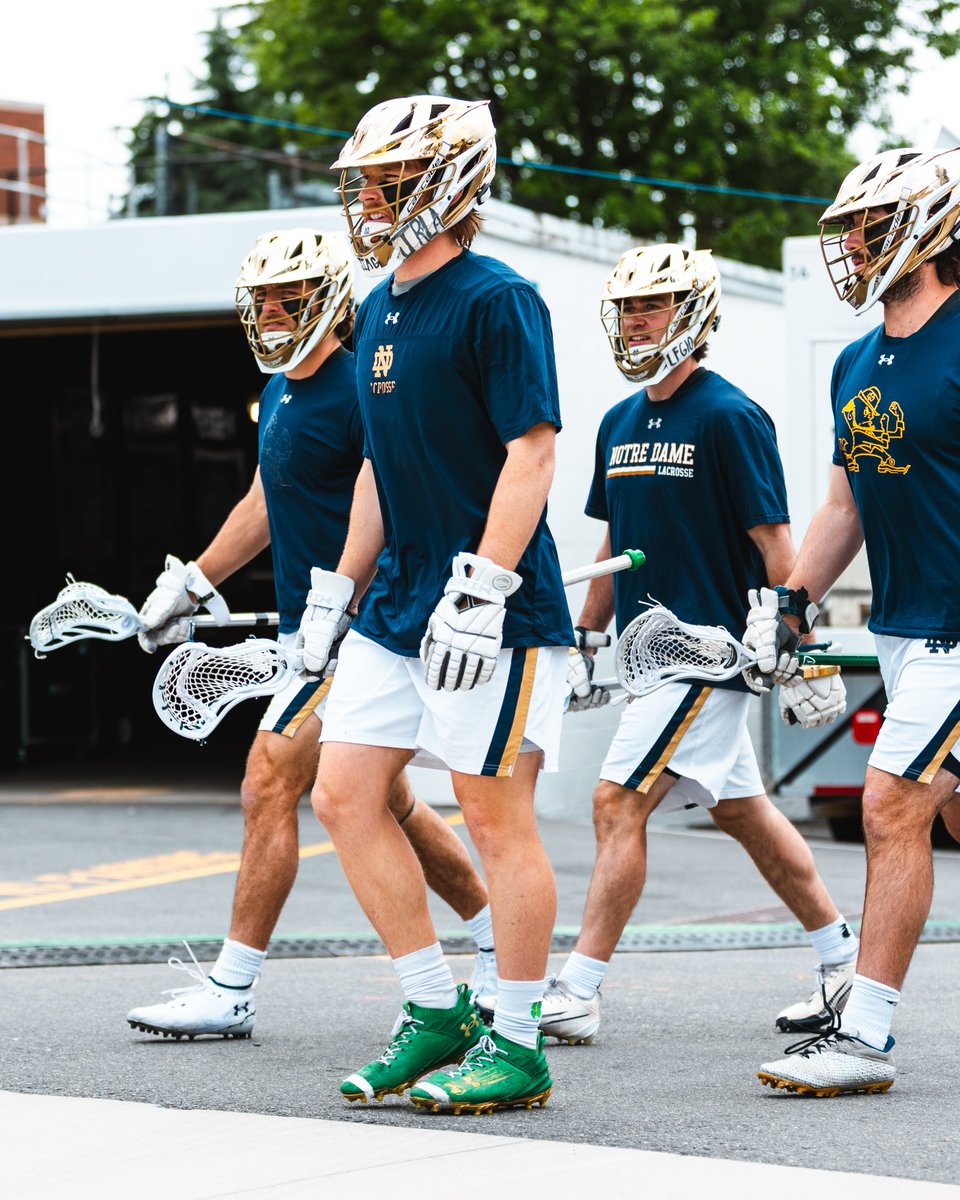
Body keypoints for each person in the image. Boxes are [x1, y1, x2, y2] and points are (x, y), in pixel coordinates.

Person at [125, 227, 496, 1040]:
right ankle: (494, 935)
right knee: (390, 803)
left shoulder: (364, 388)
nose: (268, 313)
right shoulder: (281, 393)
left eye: (284, 298)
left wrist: (349, 602)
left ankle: (232, 988)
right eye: (258, 299)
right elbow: (264, 502)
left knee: (269, 780)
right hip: (308, 632)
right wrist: (190, 582)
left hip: (361, 627)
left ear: (326, 298)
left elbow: (400, 498)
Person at [298, 94, 573, 1114]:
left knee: (495, 820)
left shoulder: (500, 298)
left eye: (389, 179)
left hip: (485, 603)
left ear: (449, 183)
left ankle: (518, 1039)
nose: (367, 199)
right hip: (398, 598)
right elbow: (379, 465)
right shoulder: (377, 305)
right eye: (365, 180)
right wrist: (338, 587)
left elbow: (533, 451)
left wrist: (485, 585)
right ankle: (435, 1010)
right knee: (341, 794)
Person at [541, 243, 855, 1047]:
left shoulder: (730, 415)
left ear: (694, 314)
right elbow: (617, 541)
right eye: (626, 309)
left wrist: (799, 646)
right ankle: (841, 961)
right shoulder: (617, 421)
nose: (634, 321)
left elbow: (776, 542)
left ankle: (577, 990)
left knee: (617, 803)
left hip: (709, 658)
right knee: (746, 814)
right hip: (647, 666)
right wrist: (582, 638)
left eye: (650, 305)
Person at [750, 145, 960, 1096]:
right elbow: (846, 506)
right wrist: (790, 598)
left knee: (890, 802)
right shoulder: (855, 357)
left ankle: (864, 1034)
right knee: (948, 813)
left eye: (871, 228)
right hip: (903, 622)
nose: (855, 248)